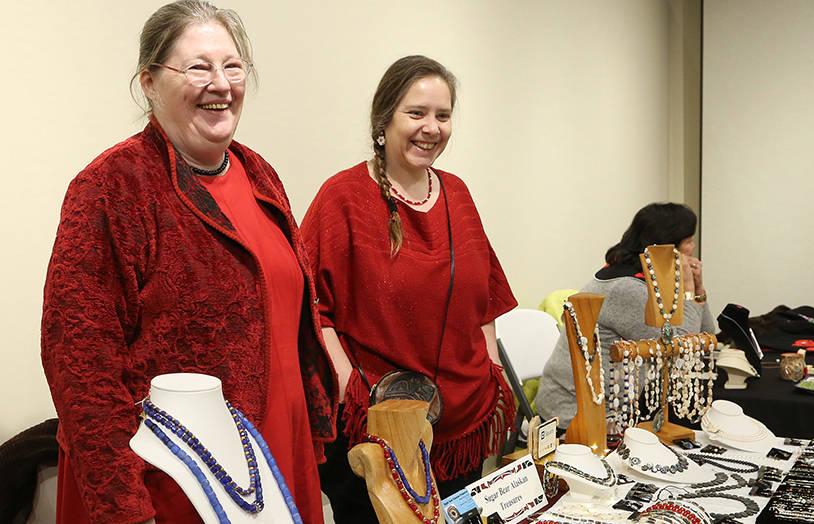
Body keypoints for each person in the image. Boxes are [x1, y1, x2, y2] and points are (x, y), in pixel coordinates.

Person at [40, 2, 336, 523]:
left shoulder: (257, 172)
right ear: (149, 82)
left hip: (271, 458)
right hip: (174, 483)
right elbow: (80, 363)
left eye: (233, 65)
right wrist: (126, 507)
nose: (221, 83)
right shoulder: (112, 187)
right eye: (199, 66)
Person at [300, 55, 517, 522]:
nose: (431, 128)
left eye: (442, 115)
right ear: (383, 122)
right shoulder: (343, 197)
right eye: (416, 113)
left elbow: (485, 297)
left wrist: (493, 365)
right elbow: (311, 304)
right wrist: (346, 384)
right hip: (377, 425)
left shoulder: (457, 193)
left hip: (460, 423)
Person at [535, 202, 715, 429]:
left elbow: (706, 335)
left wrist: (697, 289)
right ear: (668, 247)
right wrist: (687, 287)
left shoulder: (649, 278)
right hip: (575, 416)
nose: (693, 246)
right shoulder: (626, 288)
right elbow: (679, 348)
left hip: (618, 409)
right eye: (688, 241)